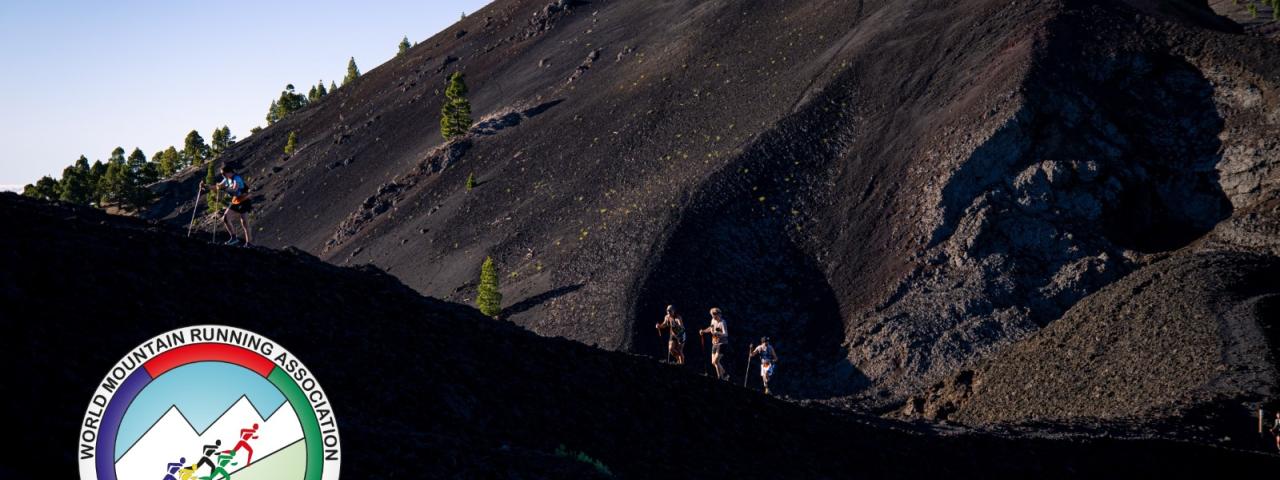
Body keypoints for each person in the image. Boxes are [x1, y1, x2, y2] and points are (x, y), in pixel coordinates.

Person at [212, 163, 252, 246]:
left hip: (244, 200)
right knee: (226, 218)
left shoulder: (236, 179)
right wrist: (205, 186)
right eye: (222, 174)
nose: (222, 175)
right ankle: (234, 238)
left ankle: (249, 243)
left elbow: (235, 190)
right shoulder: (227, 179)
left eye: (223, 173)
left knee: (244, 222)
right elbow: (218, 186)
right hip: (236, 200)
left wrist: (224, 189)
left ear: (229, 172)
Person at [700, 307, 730, 380]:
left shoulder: (723, 322)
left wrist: (718, 333)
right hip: (714, 343)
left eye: (714, 315)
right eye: (712, 315)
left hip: (722, 344)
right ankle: (725, 375)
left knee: (716, 361)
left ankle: (720, 377)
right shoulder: (713, 320)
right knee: (713, 362)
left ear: (718, 314)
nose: (713, 316)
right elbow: (711, 328)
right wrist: (703, 331)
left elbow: (726, 334)